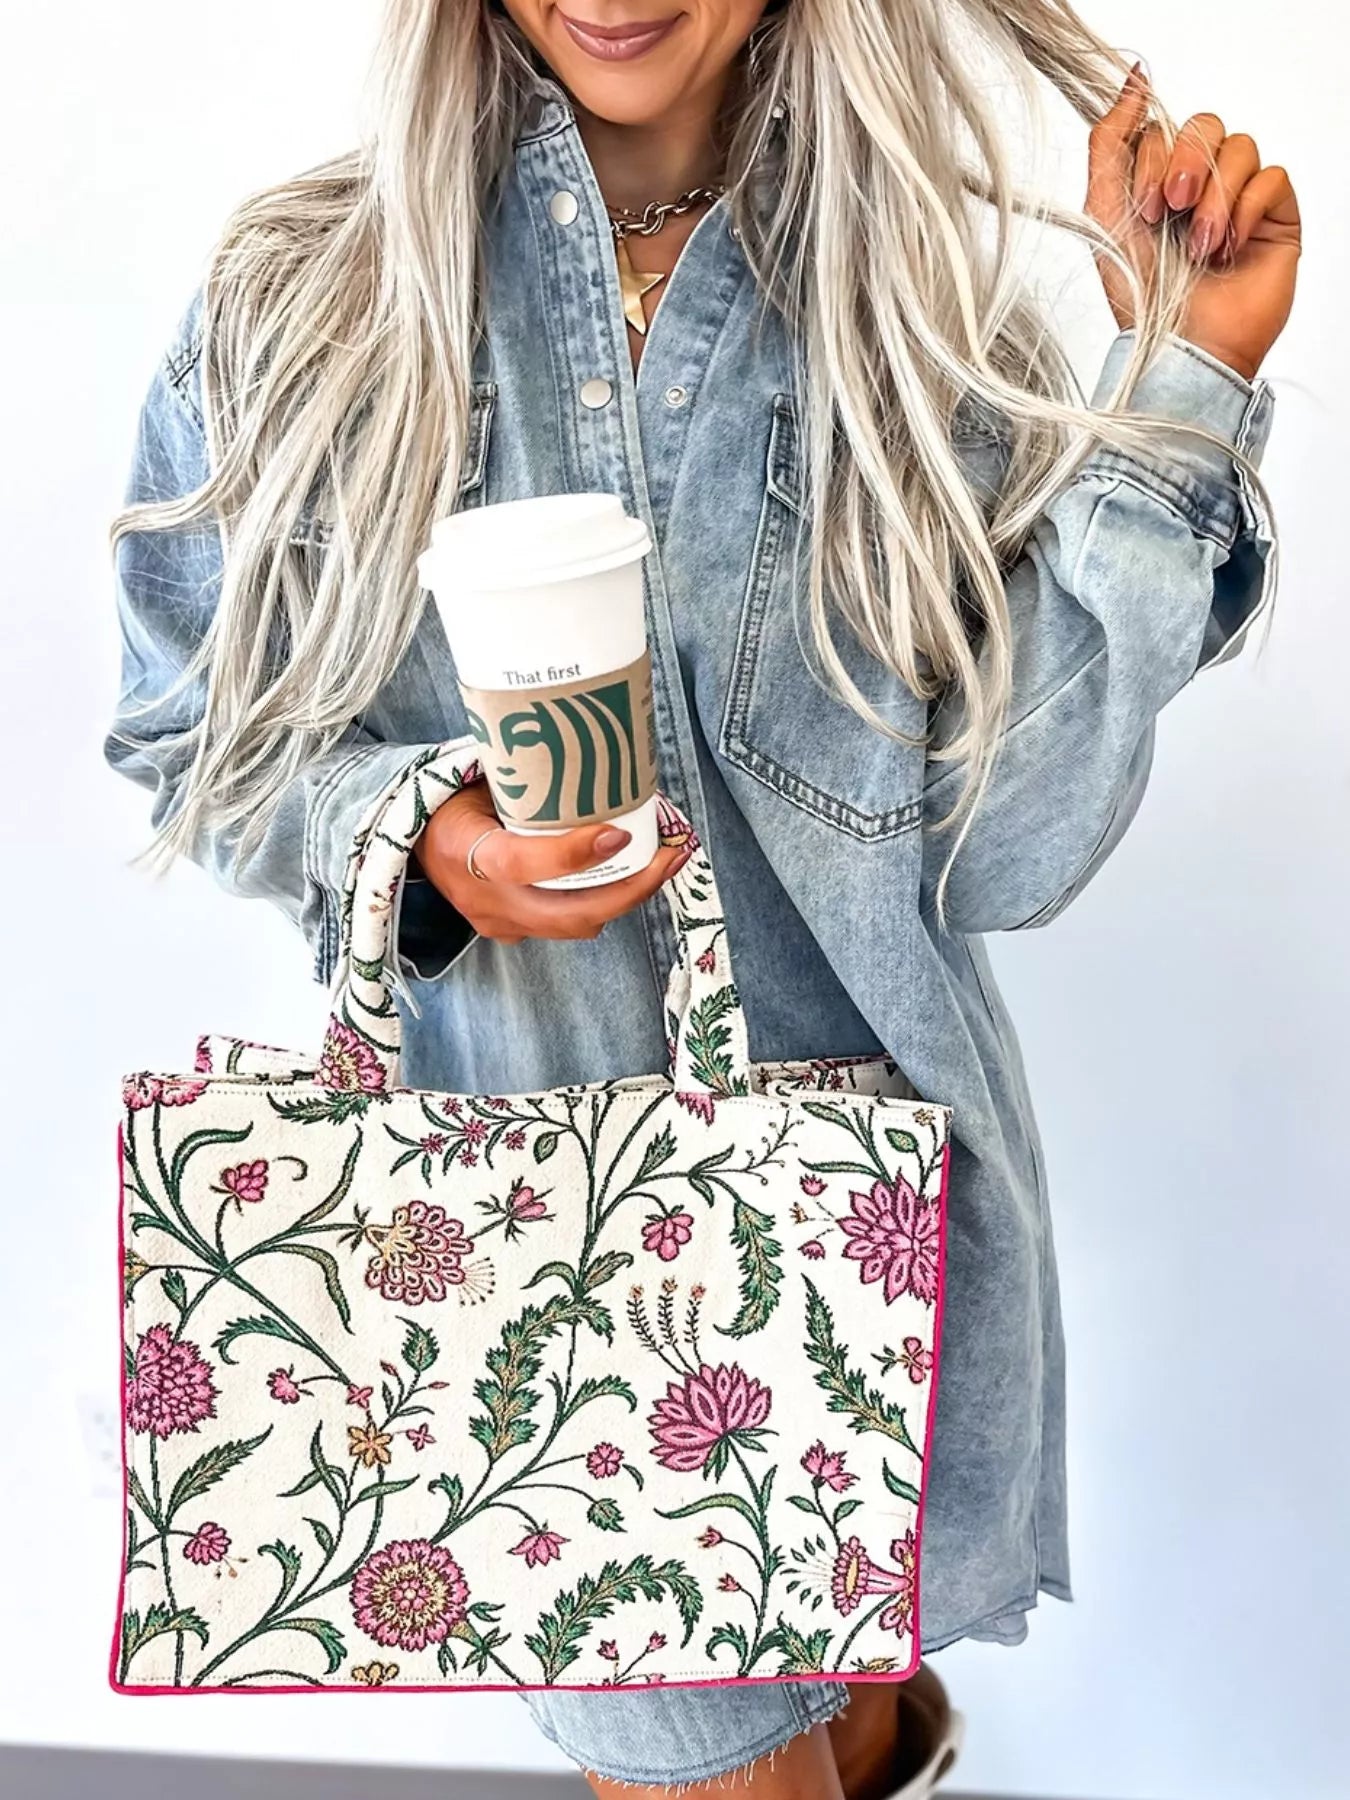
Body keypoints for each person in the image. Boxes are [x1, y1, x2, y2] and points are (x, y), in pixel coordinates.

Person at [106, 1, 1299, 1795]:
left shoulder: (910, 320)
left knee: (861, 1740)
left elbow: (1011, 838)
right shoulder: (307, 295)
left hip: (879, 1245)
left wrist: (1181, 379)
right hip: (552, 1299)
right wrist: (423, 835)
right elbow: (187, 725)